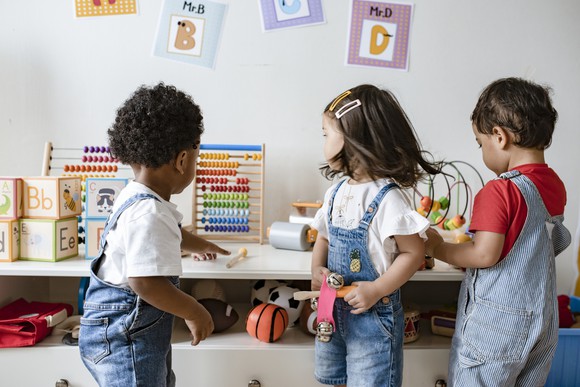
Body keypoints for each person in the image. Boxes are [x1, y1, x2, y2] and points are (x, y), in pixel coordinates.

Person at [79, 83, 231, 387]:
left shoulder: (136, 196)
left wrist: (202, 244)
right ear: (182, 160)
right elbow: (145, 282)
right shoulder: (149, 213)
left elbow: (171, 233)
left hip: (129, 332)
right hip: (127, 339)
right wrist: (195, 311)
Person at [425, 77, 572, 386]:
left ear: (499, 136)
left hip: (499, 324)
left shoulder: (499, 190)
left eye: (480, 143)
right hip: (543, 323)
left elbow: (483, 254)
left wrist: (437, 248)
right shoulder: (554, 186)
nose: (482, 151)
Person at [310, 84, 441, 387]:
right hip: (332, 311)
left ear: (353, 139)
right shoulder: (336, 192)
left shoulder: (388, 198)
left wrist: (376, 289)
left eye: (326, 134)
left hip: (372, 318)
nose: (323, 141)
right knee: (333, 379)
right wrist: (316, 268)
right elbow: (324, 238)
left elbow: (414, 253)